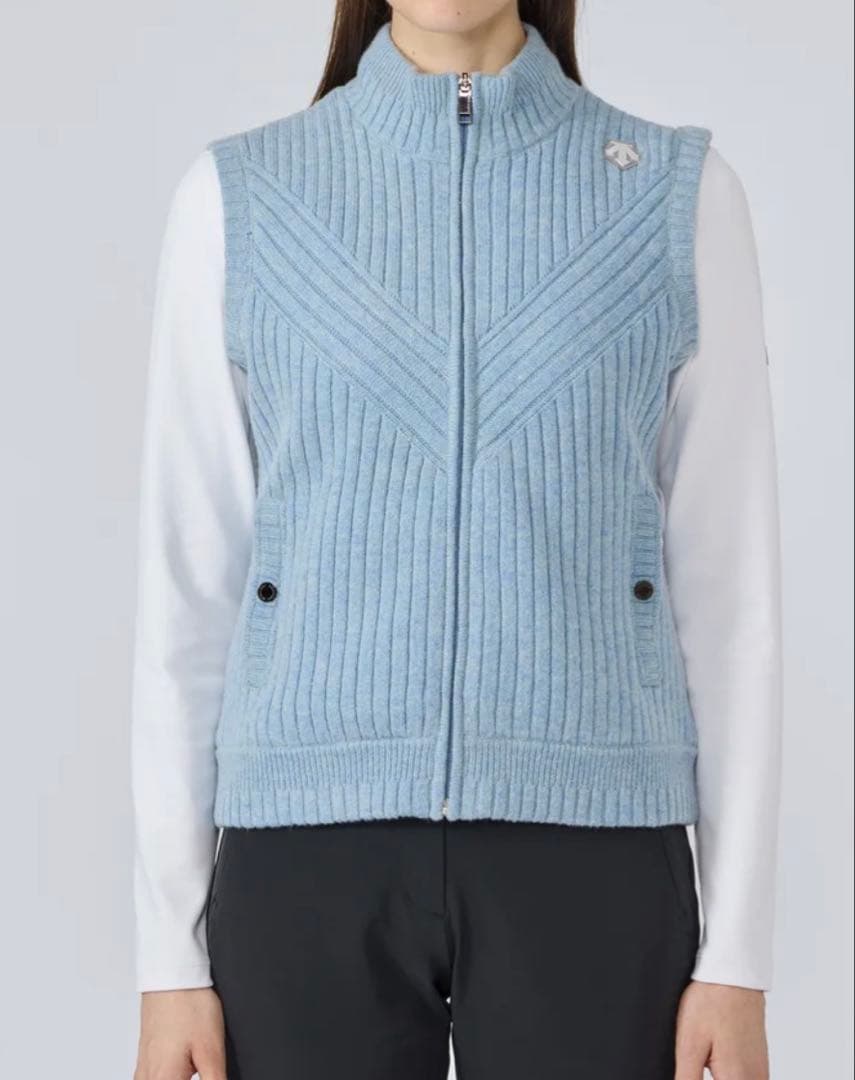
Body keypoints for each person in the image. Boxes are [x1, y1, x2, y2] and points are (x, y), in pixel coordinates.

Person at [131, 2, 783, 1078]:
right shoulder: (240, 198)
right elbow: (189, 591)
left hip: (595, 854)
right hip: (304, 860)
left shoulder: (677, 195)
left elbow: (730, 599)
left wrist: (740, 953)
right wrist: (169, 958)